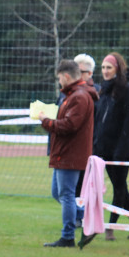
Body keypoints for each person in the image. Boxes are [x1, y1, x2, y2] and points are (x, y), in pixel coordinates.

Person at [83, 51, 129, 246]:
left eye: (109, 67)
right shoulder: (103, 91)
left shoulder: (128, 90)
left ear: (118, 69)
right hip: (104, 149)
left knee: (119, 187)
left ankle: (111, 227)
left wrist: (121, 149)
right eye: (103, 68)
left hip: (121, 150)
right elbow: (99, 120)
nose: (106, 71)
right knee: (121, 187)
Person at [38, 59, 97, 247]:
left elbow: (70, 125)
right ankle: (85, 219)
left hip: (70, 154)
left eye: (59, 79)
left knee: (66, 195)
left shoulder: (79, 97)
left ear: (65, 76)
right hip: (64, 152)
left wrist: (46, 121)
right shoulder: (73, 95)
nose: (59, 83)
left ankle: (68, 236)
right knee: (59, 193)